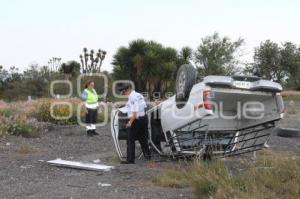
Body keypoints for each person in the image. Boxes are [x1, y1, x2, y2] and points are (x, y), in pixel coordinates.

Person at [119, 84, 151, 164]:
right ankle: (147, 156)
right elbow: (142, 106)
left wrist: (130, 122)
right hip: (143, 118)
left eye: (123, 92)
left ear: (127, 90)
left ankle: (130, 160)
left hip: (135, 120)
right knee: (143, 138)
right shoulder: (138, 94)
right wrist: (127, 105)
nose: (123, 94)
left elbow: (135, 113)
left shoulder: (132, 97)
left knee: (130, 139)